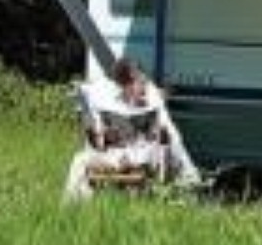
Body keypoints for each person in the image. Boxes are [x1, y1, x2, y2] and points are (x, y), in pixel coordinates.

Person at [62, 57, 201, 203]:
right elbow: (98, 144)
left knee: (158, 147)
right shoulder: (108, 104)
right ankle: (73, 205)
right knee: (80, 160)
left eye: (144, 82)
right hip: (115, 155)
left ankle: (187, 185)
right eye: (140, 83)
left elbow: (165, 140)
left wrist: (157, 133)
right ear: (126, 86)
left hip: (144, 154)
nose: (144, 87)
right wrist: (103, 136)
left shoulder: (151, 103)